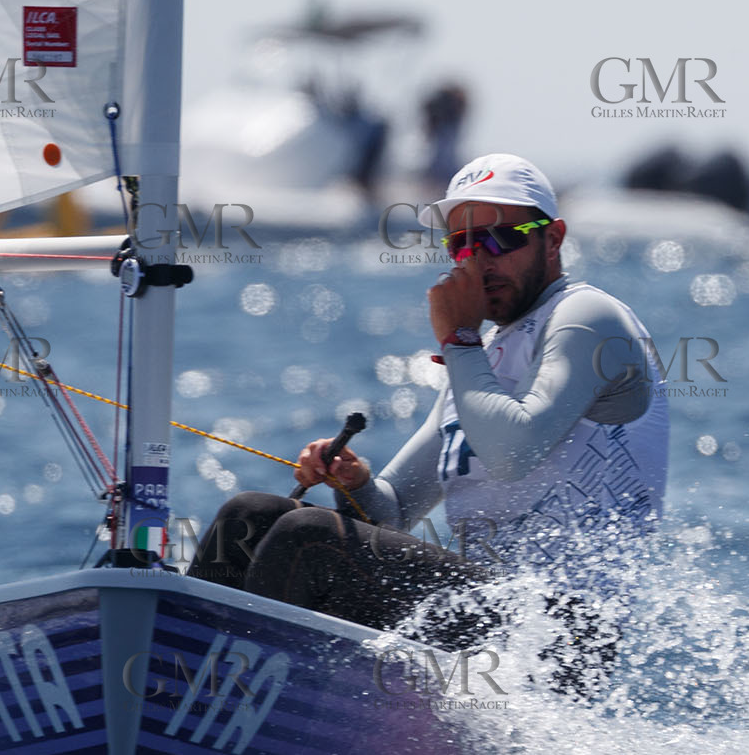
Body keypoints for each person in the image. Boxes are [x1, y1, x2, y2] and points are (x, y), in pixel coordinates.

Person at [187, 153, 669, 672]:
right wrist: (355, 482)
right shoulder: (485, 352)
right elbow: (390, 514)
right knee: (252, 516)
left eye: (499, 239)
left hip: (564, 635)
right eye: (462, 244)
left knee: (306, 540)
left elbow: (513, 453)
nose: (478, 260)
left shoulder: (587, 316)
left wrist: (459, 340)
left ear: (552, 239)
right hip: (487, 611)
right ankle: (173, 680)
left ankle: (239, 699)